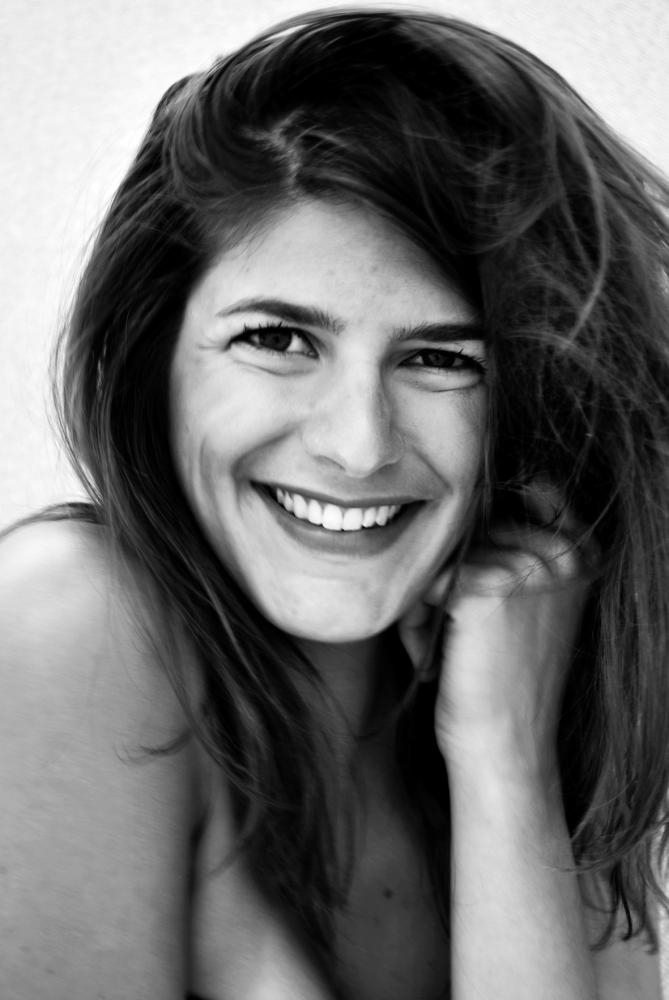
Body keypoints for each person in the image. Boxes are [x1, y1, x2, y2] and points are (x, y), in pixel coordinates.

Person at [2, 7, 669, 998]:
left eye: (442, 359)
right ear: (154, 360)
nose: (358, 444)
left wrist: (506, 766)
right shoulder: (70, 623)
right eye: (276, 340)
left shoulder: (532, 666)